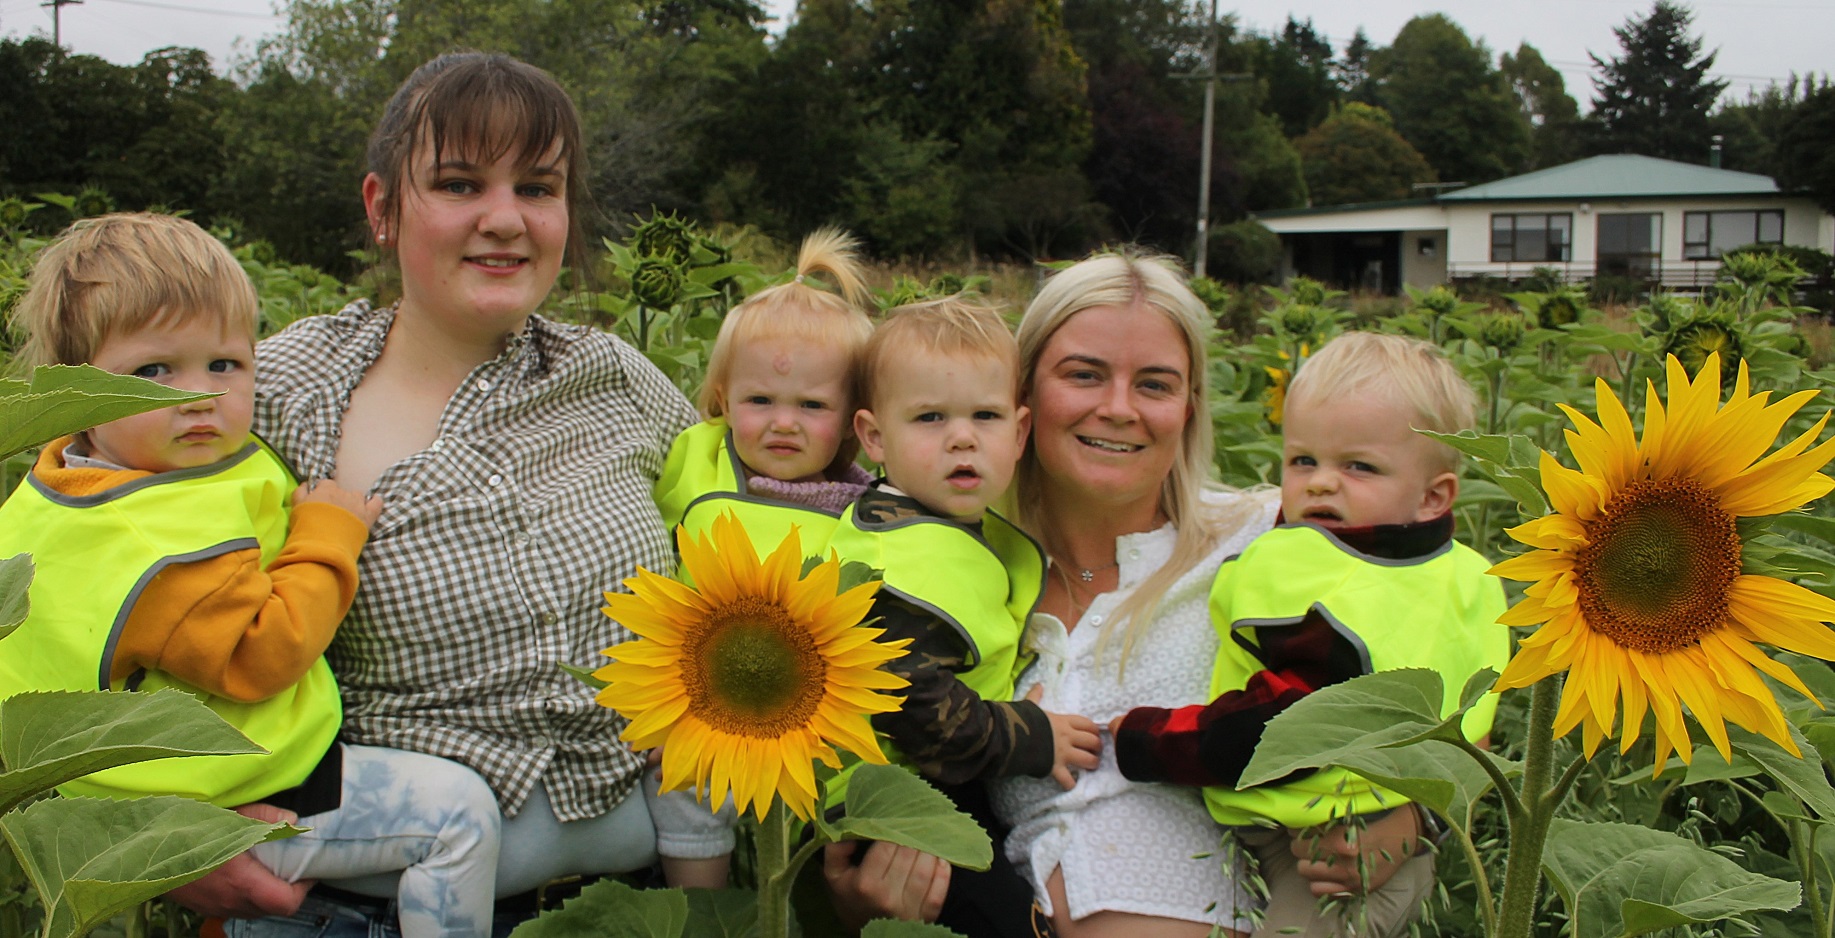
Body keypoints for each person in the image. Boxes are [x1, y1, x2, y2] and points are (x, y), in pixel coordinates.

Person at [169, 53, 700, 928]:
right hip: (353, 914)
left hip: (632, 909)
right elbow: (105, 567)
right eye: (459, 184)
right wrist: (165, 839)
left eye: (538, 186)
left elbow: (759, 518)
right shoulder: (281, 389)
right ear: (382, 207)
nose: (505, 220)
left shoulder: (616, 378)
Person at [0, 213, 504, 938]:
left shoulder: (81, 478)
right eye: (153, 373)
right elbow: (262, 652)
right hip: (218, 795)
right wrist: (332, 533)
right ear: (79, 389)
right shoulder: (152, 538)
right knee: (459, 815)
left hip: (131, 784)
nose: (199, 394)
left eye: (225, 365)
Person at [1110, 331, 1510, 938]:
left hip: (1333, 856)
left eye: (1358, 466)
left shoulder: (1331, 586)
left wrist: (1146, 740)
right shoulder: (1467, 576)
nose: (1320, 484)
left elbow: (1283, 729)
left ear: (1434, 496)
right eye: (1302, 461)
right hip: (1393, 825)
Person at [824, 297, 1101, 937]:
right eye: (929, 417)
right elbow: (913, 702)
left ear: (1020, 431)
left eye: (985, 415)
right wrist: (1031, 736)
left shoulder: (935, 528)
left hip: (925, 793)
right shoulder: (898, 561)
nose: (962, 436)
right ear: (873, 436)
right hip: (894, 807)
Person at [647, 227, 874, 888]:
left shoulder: (868, 507)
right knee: (685, 795)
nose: (783, 423)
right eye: (759, 402)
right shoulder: (697, 462)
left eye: (812, 406)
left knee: (824, 824)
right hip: (701, 701)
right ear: (720, 400)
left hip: (812, 715)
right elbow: (649, 557)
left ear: (858, 420)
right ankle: (702, 909)